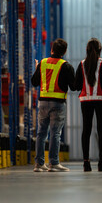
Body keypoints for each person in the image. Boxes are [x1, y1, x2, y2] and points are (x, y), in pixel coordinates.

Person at [31, 38, 75, 172]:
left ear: (51, 49)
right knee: (55, 133)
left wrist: (37, 68)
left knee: (41, 133)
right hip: (58, 103)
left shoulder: (43, 63)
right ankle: (54, 163)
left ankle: (39, 164)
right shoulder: (66, 66)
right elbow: (73, 86)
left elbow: (34, 82)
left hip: (43, 102)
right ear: (64, 52)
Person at [75, 38, 102, 172]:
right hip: (101, 100)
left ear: (86, 50)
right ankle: (101, 163)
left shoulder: (81, 64)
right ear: (100, 50)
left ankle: (86, 163)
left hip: (85, 100)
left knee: (86, 130)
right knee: (101, 131)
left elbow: (77, 85)